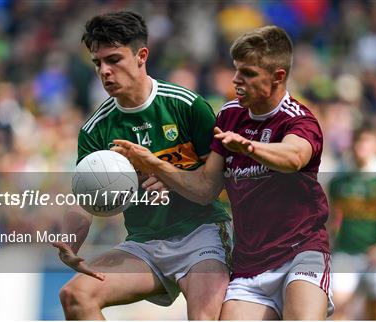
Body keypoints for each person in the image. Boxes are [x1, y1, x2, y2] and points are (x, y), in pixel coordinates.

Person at [113, 25, 334, 320]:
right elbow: (205, 188)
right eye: (236, 71)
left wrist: (250, 148)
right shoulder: (229, 116)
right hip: (250, 265)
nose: (236, 80)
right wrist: (155, 165)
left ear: (278, 77)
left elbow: (294, 157)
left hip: (301, 253)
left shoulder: (298, 120)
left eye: (248, 74)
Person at [53, 11, 232, 320]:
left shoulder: (186, 106)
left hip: (201, 235)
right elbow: (85, 201)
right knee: (75, 296)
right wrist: (70, 241)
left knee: (205, 317)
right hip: (144, 244)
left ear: (141, 56)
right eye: (98, 63)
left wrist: (170, 175)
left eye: (114, 60)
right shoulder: (95, 129)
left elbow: (218, 180)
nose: (105, 71)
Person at [328, 128, 376, 320]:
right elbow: (330, 215)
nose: (361, 147)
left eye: (366, 141)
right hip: (346, 251)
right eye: (358, 141)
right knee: (338, 305)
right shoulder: (340, 175)